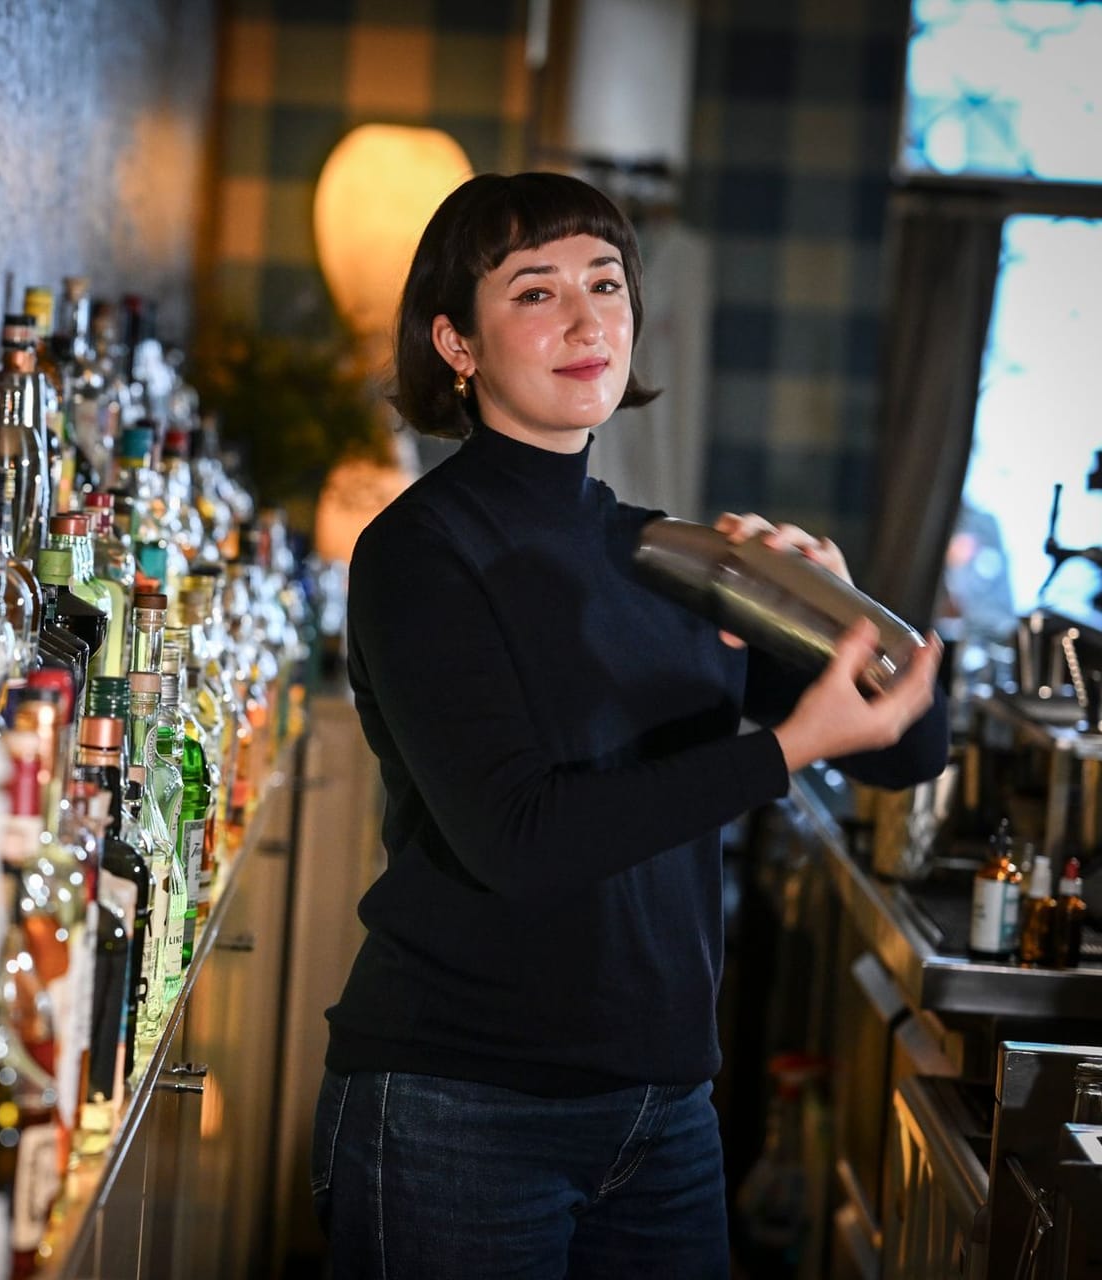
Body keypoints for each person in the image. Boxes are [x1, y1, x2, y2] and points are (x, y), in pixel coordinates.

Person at [312, 171, 948, 1278]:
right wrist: (784, 751)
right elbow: (521, 837)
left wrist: (847, 613)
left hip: (666, 1120)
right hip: (458, 1111)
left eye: (605, 282)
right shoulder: (420, 554)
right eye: (535, 291)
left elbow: (905, 745)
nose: (584, 318)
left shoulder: (669, 555)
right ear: (456, 344)